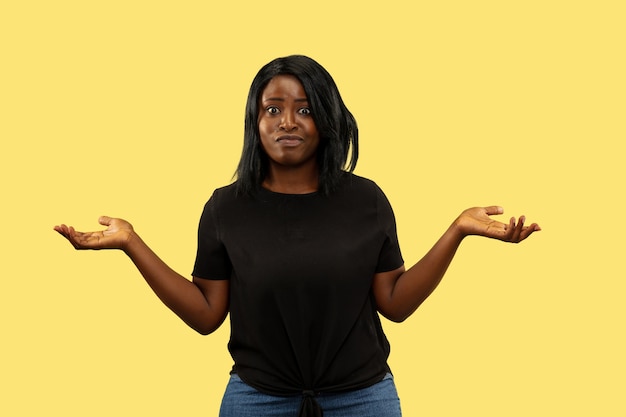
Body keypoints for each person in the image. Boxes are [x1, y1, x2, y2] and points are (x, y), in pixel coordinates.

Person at [54, 55, 540, 417]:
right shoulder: (226, 208)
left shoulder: (365, 200)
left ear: (326, 122)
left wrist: (457, 231)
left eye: (305, 110)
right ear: (255, 121)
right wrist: (132, 244)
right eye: (273, 109)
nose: (287, 122)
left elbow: (393, 302)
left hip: (362, 398)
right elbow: (206, 315)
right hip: (257, 398)